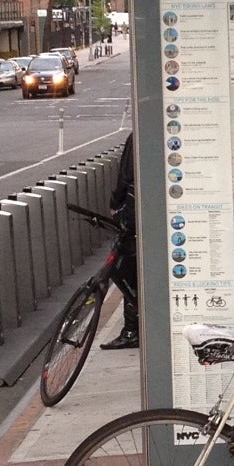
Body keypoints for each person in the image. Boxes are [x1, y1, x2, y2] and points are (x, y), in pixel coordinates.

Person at [100, 132, 138, 350]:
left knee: (128, 266)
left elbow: (125, 174)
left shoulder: (140, 132)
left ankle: (132, 329)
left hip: (136, 209)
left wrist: (115, 203)